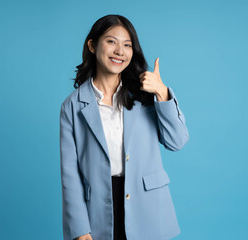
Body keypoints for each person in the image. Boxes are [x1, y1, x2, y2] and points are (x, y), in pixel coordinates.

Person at [60, 14, 189, 240]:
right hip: (98, 211)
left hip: (147, 207)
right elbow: (70, 174)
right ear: (92, 45)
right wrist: (80, 229)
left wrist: (162, 92)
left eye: (127, 45)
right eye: (111, 41)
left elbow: (177, 141)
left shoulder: (144, 95)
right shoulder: (72, 106)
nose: (120, 51)